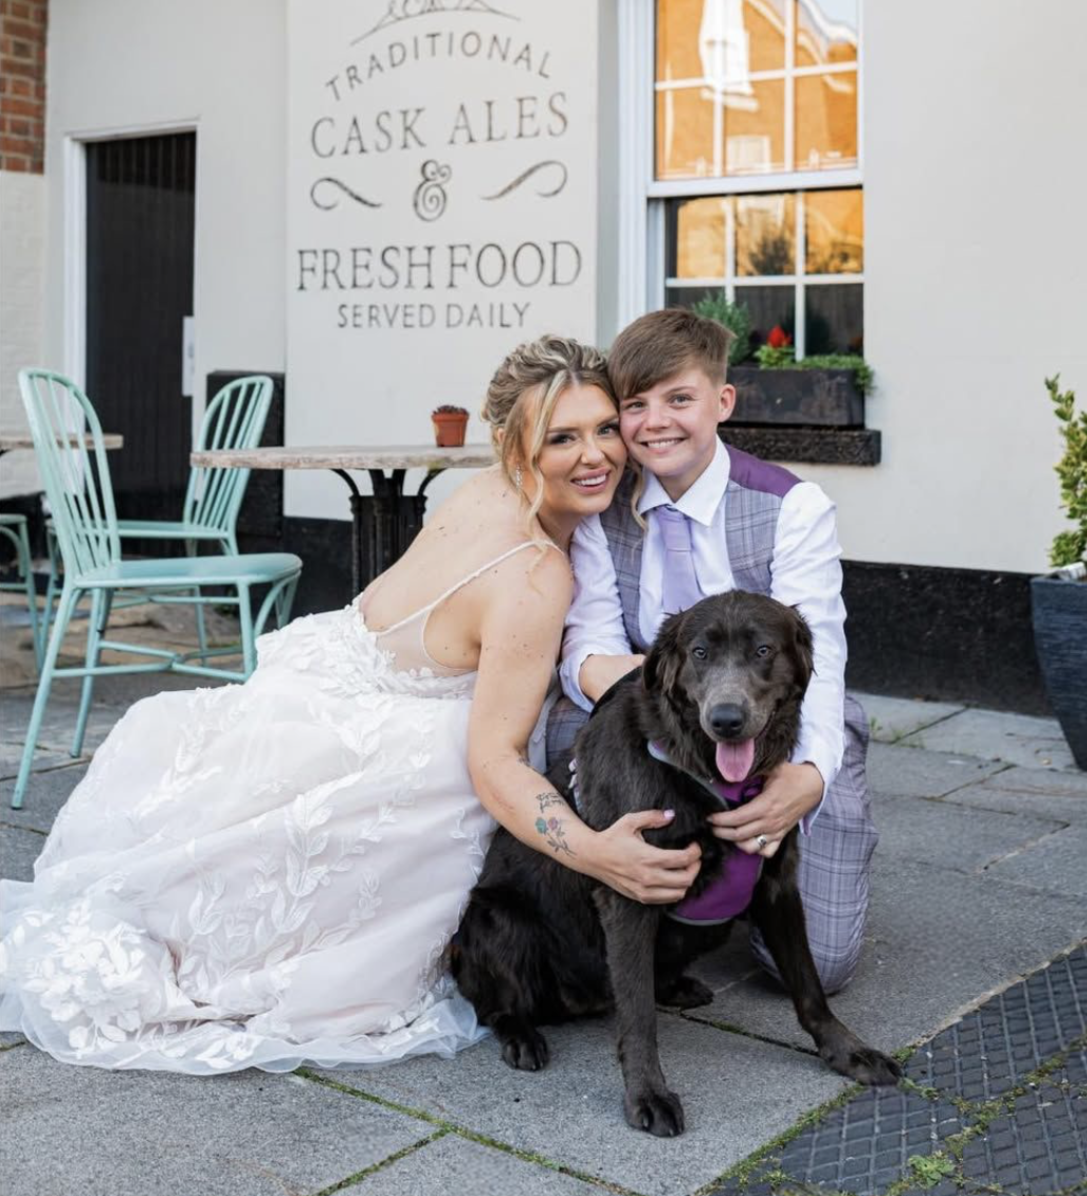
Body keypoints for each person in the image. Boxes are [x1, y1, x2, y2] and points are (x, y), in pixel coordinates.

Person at [0, 335, 702, 1073]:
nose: (596, 455)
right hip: (382, 742)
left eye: (601, 429)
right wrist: (596, 853)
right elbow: (493, 759)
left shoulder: (484, 489)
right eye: (563, 437)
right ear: (516, 443)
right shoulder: (535, 575)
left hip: (322, 682)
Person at [548, 309, 878, 995]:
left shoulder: (792, 507)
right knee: (557, 745)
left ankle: (756, 883)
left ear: (722, 402)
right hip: (659, 722)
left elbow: (823, 663)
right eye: (634, 405)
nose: (655, 422)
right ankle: (621, 901)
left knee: (826, 960)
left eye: (679, 398)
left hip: (780, 725)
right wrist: (677, 697)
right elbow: (588, 648)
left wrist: (810, 775)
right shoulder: (601, 510)